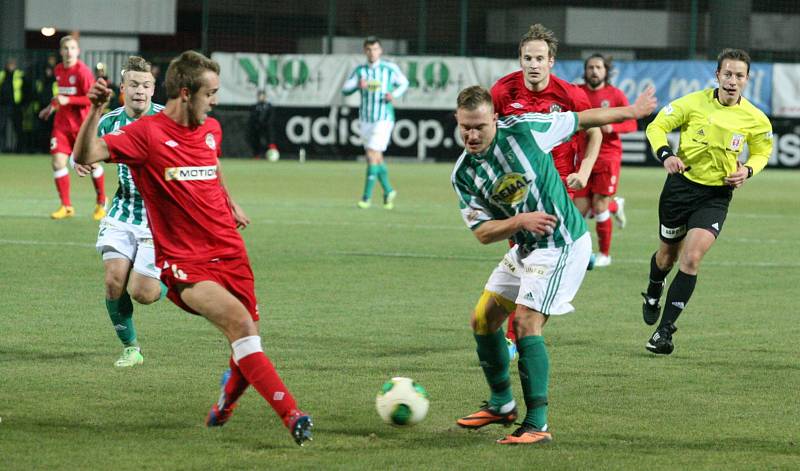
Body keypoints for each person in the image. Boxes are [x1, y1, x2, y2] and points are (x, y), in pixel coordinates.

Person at [73, 50, 313, 445]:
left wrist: (229, 200)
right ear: (185, 93)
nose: (216, 101)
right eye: (211, 93)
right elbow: (86, 155)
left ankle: (224, 406)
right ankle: (293, 415)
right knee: (239, 326)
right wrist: (94, 110)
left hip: (231, 251)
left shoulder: (211, 130)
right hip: (186, 262)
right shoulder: (145, 134)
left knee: (247, 334)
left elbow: (211, 166)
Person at [452, 85, 656, 444]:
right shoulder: (464, 174)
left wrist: (633, 112)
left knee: (527, 321)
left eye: (480, 126)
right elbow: (483, 233)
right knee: (482, 320)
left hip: (563, 243)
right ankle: (501, 404)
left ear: (495, 120)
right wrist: (520, 222)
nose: (472, 134)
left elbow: (584, 118)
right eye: (466, 126)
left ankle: (537, 424)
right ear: (457, 120)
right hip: (527, 245)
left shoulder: (527, 130)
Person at [641, 48, 772, 355]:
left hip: (716, 195)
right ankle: (653, 288)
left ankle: (664, 332)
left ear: (747, 80)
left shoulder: (755, 118)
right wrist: (666, 155)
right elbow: (656, 126)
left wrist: (748, 170)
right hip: (680, 190)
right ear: (717, 76)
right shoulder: (692, 102)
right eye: (727, 74)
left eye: (739, 75)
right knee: (666, 257)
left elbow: (763, 151)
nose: (732, 80)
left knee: (692, 258)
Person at [491, 24, 602, 343]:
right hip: (518, 191)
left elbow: (594, 131)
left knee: (531, 265)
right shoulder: (502, 91)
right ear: (520, 59)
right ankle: (581, 256)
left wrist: (585, 170)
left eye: (540, 58)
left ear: (551, 61)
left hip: (557, 191)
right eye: (528, 58)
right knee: (522, 259)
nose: (533, 64)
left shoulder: (569, 94)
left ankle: (513, 339)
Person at [77, 56, 166, 367]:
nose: (139, 91)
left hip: (160, 220)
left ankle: (176, 269)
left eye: (145, 85)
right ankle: (131, 348)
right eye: (133, 85)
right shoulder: (110, 121)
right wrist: (82, 161)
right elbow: (86, 150)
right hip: (123, 212)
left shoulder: (168, 121)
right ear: (123, 87)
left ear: (154, 89)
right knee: (114, 281)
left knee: (144, 293)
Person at [574, 54, 637, 267]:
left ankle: (605, 255)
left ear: (605, 71)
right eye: (590, 67)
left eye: (598, 67)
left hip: (607, 156)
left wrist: (614, 127)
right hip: (583, 156)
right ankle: (614, 206)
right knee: (579, 209)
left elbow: (632, 124)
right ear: (585, 70)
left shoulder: (615, 95)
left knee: (599, 205)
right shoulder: (577, 92)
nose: (594, 71)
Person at [39, 35, 106, 220]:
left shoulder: (83, 72)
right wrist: (51, 107)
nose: (69, 51)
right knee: (58, 162)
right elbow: (60, 95)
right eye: (65, 48)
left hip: (82, 127)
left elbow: (91, 99)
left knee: (91, 164)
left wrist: (68, 100)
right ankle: (66, 206)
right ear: (61, 51)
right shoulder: (59, 69)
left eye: (72, 48)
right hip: (61, 126)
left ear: (78, 51)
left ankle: (101, 202)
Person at [342, 36, 408, 210]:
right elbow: (345, 89)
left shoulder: (389, 68)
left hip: (383, 118)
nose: (372, 53)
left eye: (375, 49)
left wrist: (393, 94)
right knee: (376, 157)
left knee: (372, 154)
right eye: (369, 49)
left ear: (380, 51)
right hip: (365, 119)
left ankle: (366, 197)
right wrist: (357, 84)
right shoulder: (360, 71)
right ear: (365, 51)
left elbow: (404, 83)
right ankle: (388, 190)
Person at [0, 58, 25, 153]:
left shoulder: (20, 75)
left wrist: (23, 103)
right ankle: (2, 148)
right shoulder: (2, 75)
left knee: (18, 128)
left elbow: (26, 89)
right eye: (9, 64)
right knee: (1, 128)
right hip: (3, 106)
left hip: (16, 106)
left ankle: (19, 149)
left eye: (12, 64)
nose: (11, 66)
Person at [248, 89, 278, 160]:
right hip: (257, 128)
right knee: (256, 141)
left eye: (262, 96)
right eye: (259, 96)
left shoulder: (269, 106)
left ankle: (272, 154)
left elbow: (271, 117)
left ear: (265, 96)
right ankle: (256, 156)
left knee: (270, 140)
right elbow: (252, 117)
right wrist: (256, 125)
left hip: (267, 127)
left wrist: (266, 123)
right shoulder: (255, 106)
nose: (260, 97)